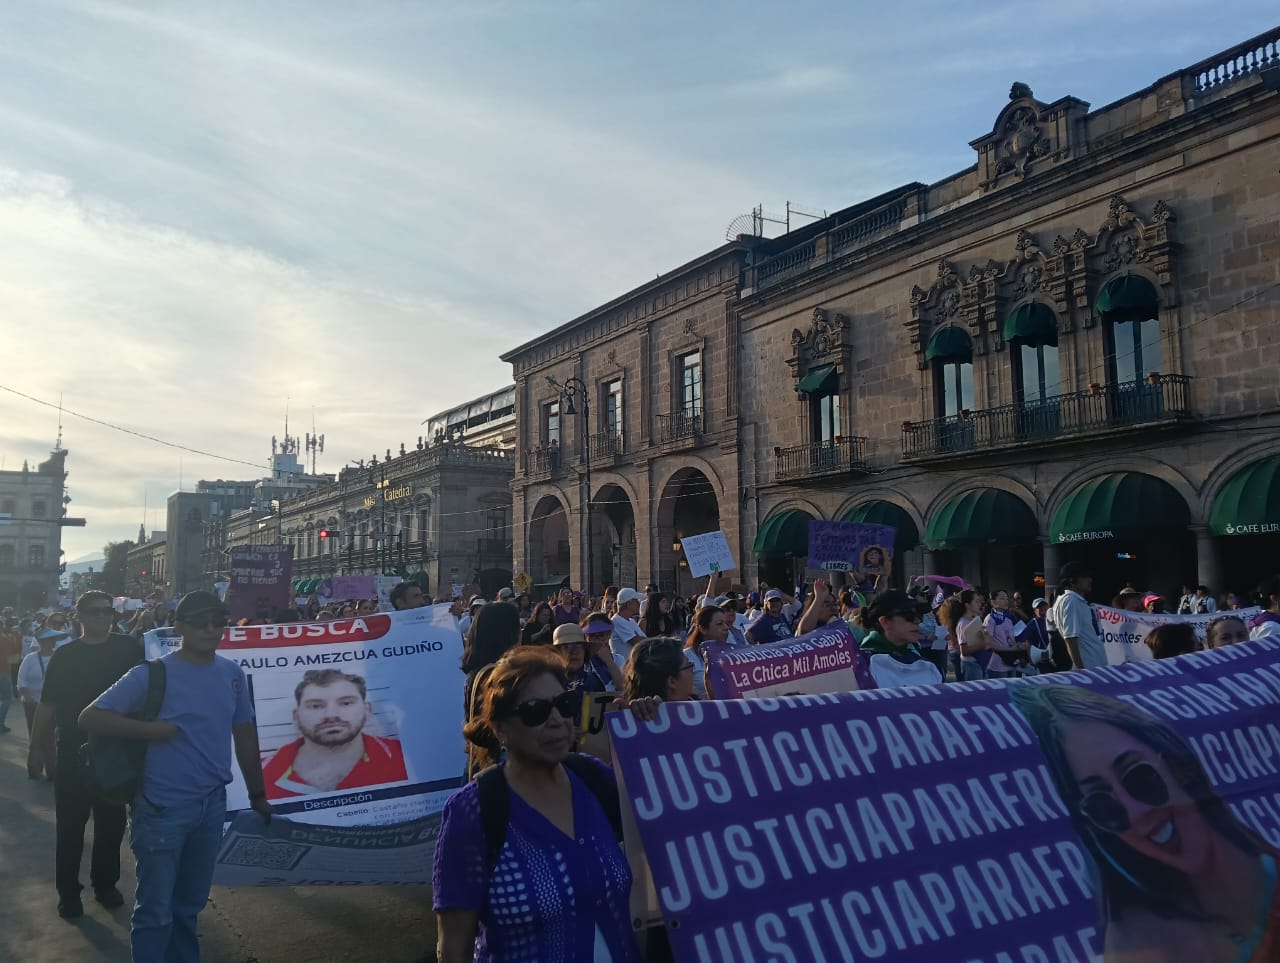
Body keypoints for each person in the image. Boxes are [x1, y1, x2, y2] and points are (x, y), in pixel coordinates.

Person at [1010, 684, 1280, 963]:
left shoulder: (1263, 851)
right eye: (1104, 807)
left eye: (1139, 777)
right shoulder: (1139, 944)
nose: (1135, 812)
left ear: (1175, 764)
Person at [80, 590, 272, 962]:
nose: (211, 628)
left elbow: (245, 734)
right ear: (179, 626)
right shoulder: (152, 674)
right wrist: (150, 732)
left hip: (211, 806)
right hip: (161, 808)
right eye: (200, 621)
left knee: (189, 906)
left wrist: (257, 794)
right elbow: (90, 717)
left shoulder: (232, 674)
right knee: (155, 911)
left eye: (218, 620)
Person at [434, 648, 643, 963]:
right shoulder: (474, 811)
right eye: (535, 711)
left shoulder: (594, 780)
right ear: (500, 728)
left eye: (564, 705)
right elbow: (453, 949)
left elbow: (673, 818)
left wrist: (652, 727)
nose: (557, 720)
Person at [33, 590, 143, 918]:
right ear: (79, 617)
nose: (102, 616)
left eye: (107, 611)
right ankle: (68, 893)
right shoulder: (65, 657)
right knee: (70, 827)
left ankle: (105, 885)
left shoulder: (128, 648)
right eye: (94, 612)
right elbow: (47, 705)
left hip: (115, 752)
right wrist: (38, 748)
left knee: (111, 825)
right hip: (73, 751)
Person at [261, 669, 408, 799]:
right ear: (296, 716)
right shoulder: (259, 773)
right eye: (316, 706)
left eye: (346, 703)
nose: (331, 715)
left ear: (367, 710)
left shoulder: (408, 758)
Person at [858, 590, 943, 687]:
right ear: (885, 622)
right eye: (908, 615)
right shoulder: (861, 665)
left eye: (918, 615)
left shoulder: (929, 667)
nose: (917, 621)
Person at [18, 627, 63, 778]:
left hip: (52, 703)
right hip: (31, 704)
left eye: (53, 640)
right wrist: (31, 700)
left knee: (50, 737)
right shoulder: (30, 658)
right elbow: (21, 682)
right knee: (35, 735)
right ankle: (34, 768)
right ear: (42, 641)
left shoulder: (59, 658)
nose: (52, 643)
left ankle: (52, 770)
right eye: (48, 640)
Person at [1052, 562, 1107, 669]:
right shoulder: (1070, 600)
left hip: (1093, 665)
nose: (1090, 580)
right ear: (1072, 581)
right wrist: (1082, 671)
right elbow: (1070, 639)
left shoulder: (1071, 600)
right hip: (1089, 667)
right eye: (1085, 577)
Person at [552, 622, 622, 693]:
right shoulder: (547, 682)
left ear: (585, 651)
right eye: (567, 647)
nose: (574, 652)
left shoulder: (593, 681)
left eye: (578, 646)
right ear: (557, 653)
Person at [939, 589, 993, 681]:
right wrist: (983, 645)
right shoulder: (963, 623)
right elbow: (964, 650)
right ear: (967, 605)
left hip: (980, 661)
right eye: (976, 601)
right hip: (971, 664)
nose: (979, 604)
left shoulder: (976, 618)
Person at [623, 636, 696, 703]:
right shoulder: (644, 714)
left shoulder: (697, 704)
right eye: (689, 666)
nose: (693, 671)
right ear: (672, 682)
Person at [984, 589, 1029, 678]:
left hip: (1011, 663)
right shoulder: (990, 619)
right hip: (997, 665)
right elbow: (987, 645)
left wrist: (1020, 645)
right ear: (993, 602)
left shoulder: (1010, 617)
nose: (1006, 601)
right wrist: (1010, 649)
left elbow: (1017, 637)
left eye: (1006, 599)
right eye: (1002, 598)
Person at [609, 588, 646, 669]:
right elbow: (638, 642)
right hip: (623, 668)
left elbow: (643, 639)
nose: (639, 603)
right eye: (636, 600)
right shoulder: (616, 621)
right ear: (629, 603)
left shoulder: (631, 621)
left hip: (633, 667)